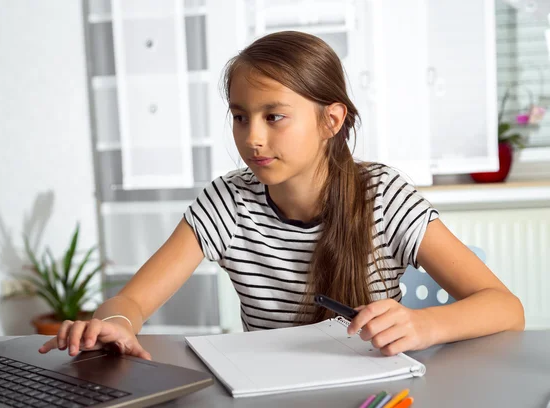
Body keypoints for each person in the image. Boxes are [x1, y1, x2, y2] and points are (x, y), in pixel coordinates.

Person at [38, 31, 524, 360]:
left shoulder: (384, 196)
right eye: (239, 115)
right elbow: (132, 301)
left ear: (330, 121)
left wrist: (425, 327)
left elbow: (505, 307)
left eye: (274, 116)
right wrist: (117, 322)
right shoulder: (228, 203)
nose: (252, 138)